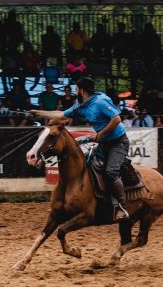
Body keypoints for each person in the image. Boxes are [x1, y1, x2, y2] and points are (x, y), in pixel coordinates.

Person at [32, 77, 130, 220]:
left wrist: (99, 135)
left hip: (118, 142)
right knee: (87, 165)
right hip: (103, 143)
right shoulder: (81, 105)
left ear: (82, 90)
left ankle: (122, 206)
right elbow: (60, 115)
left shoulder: (101, 101)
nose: (75, 91)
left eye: (76, 89)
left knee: (110, 171)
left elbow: (116, 119)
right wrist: (38, 112)